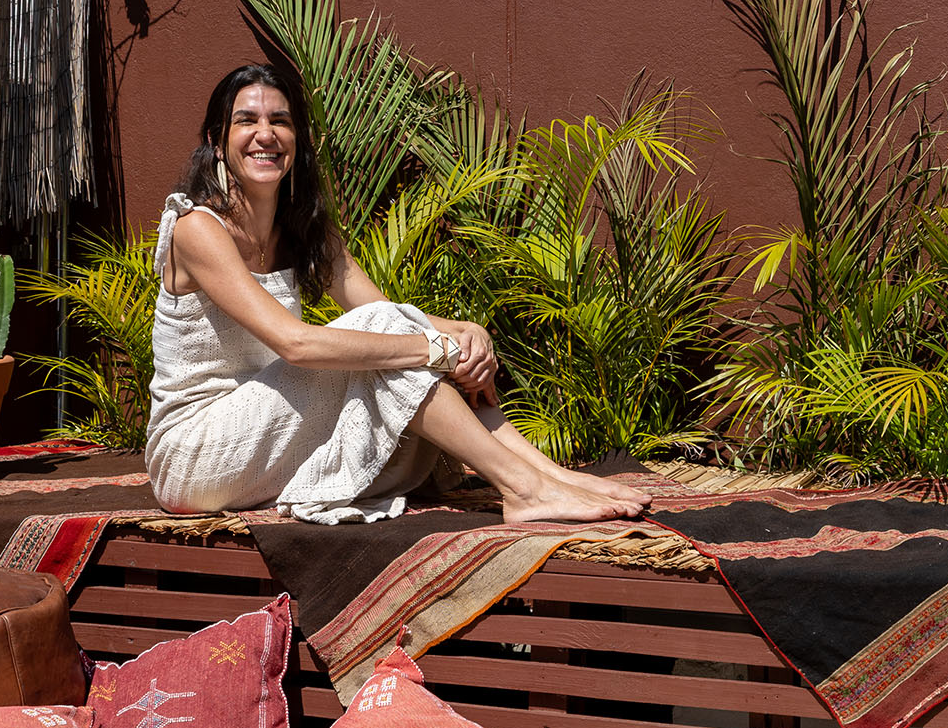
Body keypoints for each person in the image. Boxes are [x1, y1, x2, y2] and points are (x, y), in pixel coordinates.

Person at [147, 62, 649, 527]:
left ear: (297, 139)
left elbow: (384, 311)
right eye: (246, 121)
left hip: (266, 437)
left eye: (280, 121)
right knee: (403, 341)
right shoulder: (196, 228)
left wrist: (465, 336)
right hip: (194, 456)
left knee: (409, 336)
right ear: (216, 141)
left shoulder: (304, 230)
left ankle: (549, 476)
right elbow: (295, 343)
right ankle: (524, 488)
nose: (266, 134)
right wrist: (434, 348)